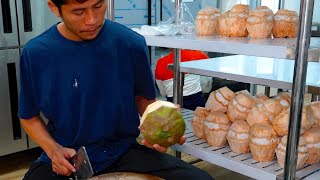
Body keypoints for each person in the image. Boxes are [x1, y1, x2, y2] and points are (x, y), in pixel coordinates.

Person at [18, 0, 214, 180]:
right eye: (78, 12)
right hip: (68, 154)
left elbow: (143, 100)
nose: (92, 20)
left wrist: (162, 124)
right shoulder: (36, 53)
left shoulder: (130, 43)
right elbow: (28, 116)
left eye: (98, 5)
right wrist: (53, 150)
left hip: (123, 150)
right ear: (54, 8)